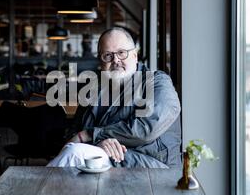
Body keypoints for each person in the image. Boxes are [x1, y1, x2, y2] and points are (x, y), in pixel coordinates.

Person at [48, 27, 181, 168]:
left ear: (135, 55)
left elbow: (146, 129)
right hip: (107, 160)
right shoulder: (94, 88)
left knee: (75, 153)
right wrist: (99, 143)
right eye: (108, 55)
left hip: (153, 166)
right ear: (100, 61)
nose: (116, 60)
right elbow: (74, 133)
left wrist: (92, 134)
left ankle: (40, 187)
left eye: (121, 53)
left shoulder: (157, 82)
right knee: (73, 154)